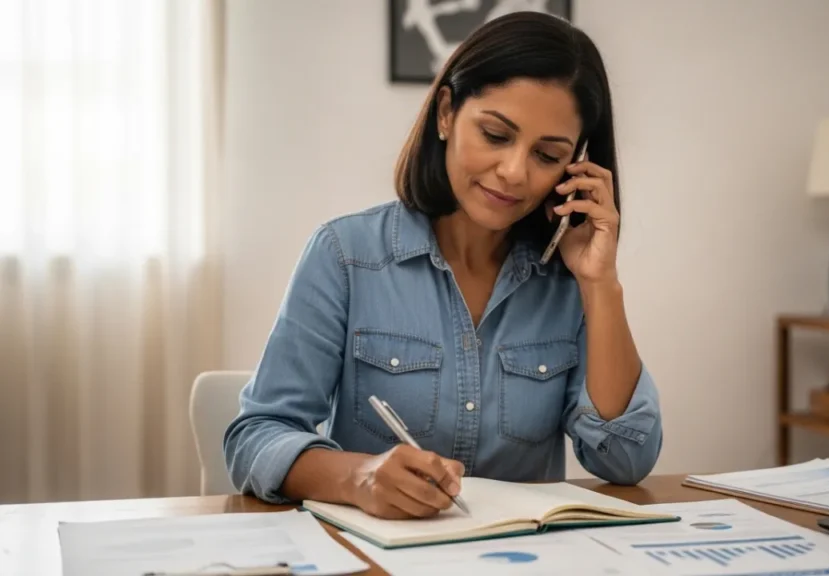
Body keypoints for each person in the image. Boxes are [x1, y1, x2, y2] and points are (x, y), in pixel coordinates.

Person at [223, 11, 663, 520]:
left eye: (547, 155)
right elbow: (256, 437)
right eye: (496, 135)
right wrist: (360, 477)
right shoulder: (345, 255)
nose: (514, 172)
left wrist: (600, 283)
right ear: (447, 112)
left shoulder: (569, 282)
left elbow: (626, 459)